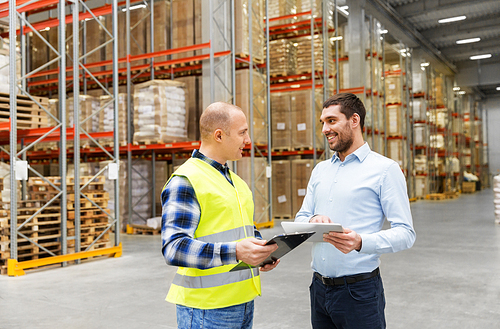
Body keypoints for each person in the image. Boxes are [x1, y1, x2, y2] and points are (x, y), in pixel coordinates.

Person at [295, 93, 416, 329]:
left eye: (331, 121)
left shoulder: (384, 170)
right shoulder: (320, 170)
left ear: (354, 120)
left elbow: (406, 233)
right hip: (319, 289)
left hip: (358, 293)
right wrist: (312, 219)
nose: (324, 129)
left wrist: (360, 241)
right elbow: (301, 217)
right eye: (322, 122)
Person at [161, 101, 279, 329]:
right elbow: (174, 248)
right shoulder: (186, 180)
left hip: (243, 301)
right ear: (219, 135)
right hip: (206, 309)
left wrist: (261, 253)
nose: (248, 141)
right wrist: (236, 251)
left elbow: (241, 231)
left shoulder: (236, 182)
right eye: (242, 132)